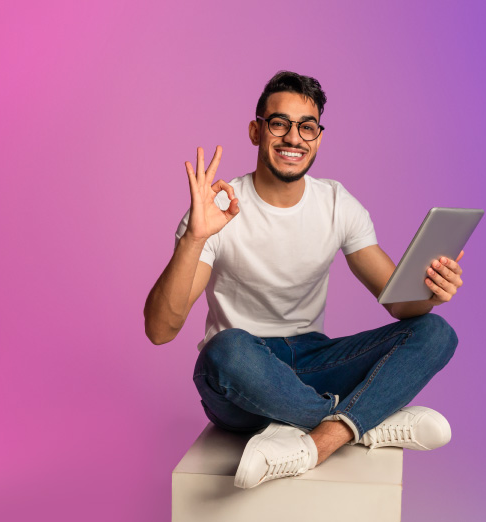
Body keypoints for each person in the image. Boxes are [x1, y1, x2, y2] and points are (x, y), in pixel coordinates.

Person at [144, 71, 465, 489]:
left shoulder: (336, 203)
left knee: (436, 332)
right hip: (242, 376)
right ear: (256, 130)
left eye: (307, 127)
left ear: (318, 137)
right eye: (279, 123)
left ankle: (323, 435)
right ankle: (365, 419)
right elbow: (160, 329)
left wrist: (430, 291)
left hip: (313, 362)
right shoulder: (217, 210)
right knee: (226, 349)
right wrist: (194, 237)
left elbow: (399, 303)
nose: (293, 138)